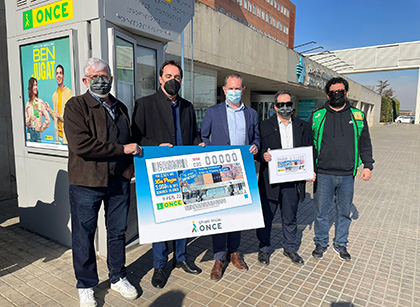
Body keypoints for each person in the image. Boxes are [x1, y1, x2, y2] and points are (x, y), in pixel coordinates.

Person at [64, 58, 140, 307]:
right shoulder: (76, 106)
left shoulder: (120, 107)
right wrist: (122, 150)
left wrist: (129, 166)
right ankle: (86, 285)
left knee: (117, 233)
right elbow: (82, 145)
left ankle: (118, 276)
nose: (100, 79)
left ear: (111, 79)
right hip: (86, 182)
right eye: (95, 76)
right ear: (86, 80)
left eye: (105, 75)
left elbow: (130, 139)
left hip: (118, 181)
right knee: (84, 236)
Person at [132, 60, 203, 289]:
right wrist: (155, 147)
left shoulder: (188, 106)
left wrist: (199, 144)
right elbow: (137, 138)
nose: (174, 80)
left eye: (178, 77)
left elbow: (193, 135)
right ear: (161, 79)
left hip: (185, 171)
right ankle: (160, 264)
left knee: (184, 216)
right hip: (159, 171)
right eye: (169, 76)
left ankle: (181, 258)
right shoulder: (144, 104)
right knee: (162, 219)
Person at [200, 73, 260, 281]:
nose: (234, 91)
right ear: (224, 90)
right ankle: (219, 258)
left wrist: (256, 146)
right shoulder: (213, 112)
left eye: (238, 88)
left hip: (241, 171)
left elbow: (256, 138)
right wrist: (204, 147)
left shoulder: (251, 114)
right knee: (221, 214)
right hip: (219, 171)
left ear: (243, 90)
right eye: (230, 88)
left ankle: (234, 252)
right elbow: (203, 136)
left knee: (237, 214)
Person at [309, 77, 374, 261]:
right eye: (332, 92)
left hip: (347, 175)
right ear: (327, 95)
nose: (336, 95)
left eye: (340, 92)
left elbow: (365, 143)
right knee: (321, 213)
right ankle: (321, 242)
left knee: (343, 212)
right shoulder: (317, 115)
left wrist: (368, 165)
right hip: (323, 174)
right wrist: (308, 169)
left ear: (346, 93)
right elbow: (309, 145)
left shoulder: (357, 115)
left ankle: (341, 244)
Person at [257, 90, 312, 266]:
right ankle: (264, 248)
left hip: (292, 182)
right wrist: (262, 156)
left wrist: (311, 170)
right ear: (275, 107)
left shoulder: (303, 126)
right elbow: (257, 150)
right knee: (267, 217)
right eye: (281, 104)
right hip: (270, 182)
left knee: (290, 217)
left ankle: (290, 248)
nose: (285, 107)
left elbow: (310, 151)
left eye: (288, 104)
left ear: (292, 105)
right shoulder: (263, 126)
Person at [45, 64, 73, 145]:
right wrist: (49, 110)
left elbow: (70, 116)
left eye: (60, 73)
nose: (58, 75)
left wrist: (60, 116)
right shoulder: (54, 95)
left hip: (66, 137)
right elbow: (55, 117)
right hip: (58, 137)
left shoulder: (69, 93)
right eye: (57, 73)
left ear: (63, 76)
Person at [24, 77, 51, 142]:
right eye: (34, 85)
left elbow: (48, 120)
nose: (36, 87)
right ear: (30, 87)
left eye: (36, 85)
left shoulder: (40, 102)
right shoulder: (28, 104)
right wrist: (30, 118)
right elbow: (25, 122)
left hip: (37, 133)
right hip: (29, 132)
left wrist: (41, 128)